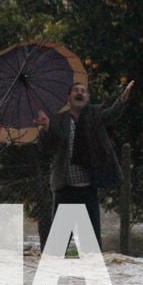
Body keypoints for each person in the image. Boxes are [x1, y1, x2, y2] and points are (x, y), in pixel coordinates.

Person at [33, 80, 134, 251]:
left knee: (91, 242)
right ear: (69, 97)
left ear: (87, 97)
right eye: (75, 91)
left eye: (83, 91)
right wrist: (46, 126)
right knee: (59, 242)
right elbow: (47, 145)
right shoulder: (58, 120)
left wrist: (122, 100)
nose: (79, 93)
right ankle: (55, 271)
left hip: (88, 186)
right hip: (65, 186)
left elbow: (111, 115)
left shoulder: (94, 115)